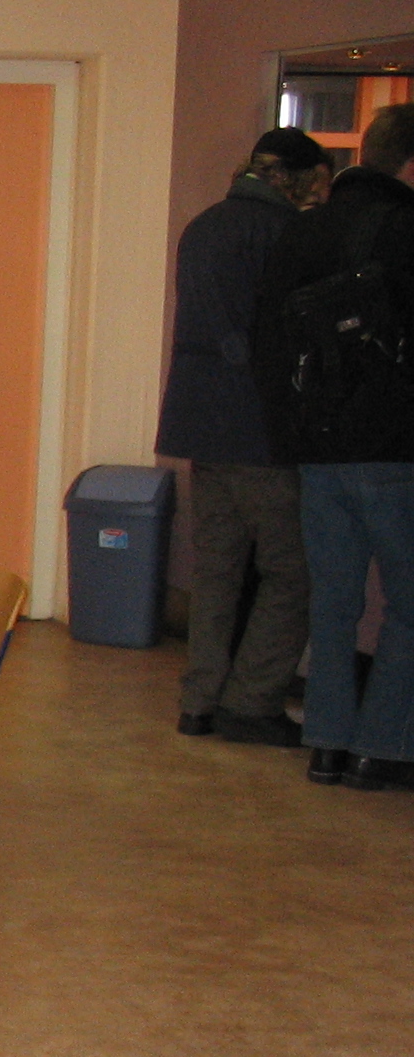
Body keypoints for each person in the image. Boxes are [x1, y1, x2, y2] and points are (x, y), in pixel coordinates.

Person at [253, 102, 414, 790]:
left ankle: (325, 742)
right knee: (408, 605)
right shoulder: (405, 231)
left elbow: (268, 341)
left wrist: (291, 433)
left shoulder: (303, 230)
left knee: (334, 601)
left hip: (316, 447)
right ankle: (381, 746)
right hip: (395, 446)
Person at [155, 128, 332, 748]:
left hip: (201, 425)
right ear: (299, 179)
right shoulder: (285, 233)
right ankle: (252, 701)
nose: (322, 197)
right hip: (260, 431)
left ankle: (199, 701)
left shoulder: (204, 226)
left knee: (217, 571)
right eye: (319, 184)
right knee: (294, 572)